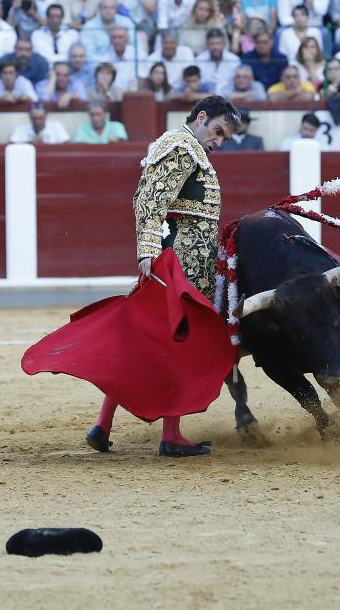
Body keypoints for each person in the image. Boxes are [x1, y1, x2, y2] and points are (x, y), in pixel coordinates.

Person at [87, 96, 241, 457]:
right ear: (201, 118)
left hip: (180, 261)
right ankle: (170, 435)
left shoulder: (188, 148)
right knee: (179, 344)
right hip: (178, 265)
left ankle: (102, 424)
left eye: (225, 139)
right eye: (217, 131)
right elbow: (149, 200)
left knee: (143, 344)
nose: (218, 142)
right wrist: (147, 251)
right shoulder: (182, 146)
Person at [196, 28, 241, 94]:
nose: (215, 47)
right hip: (205, 98)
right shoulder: (199, 60)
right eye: (212, 44)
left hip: (229, 98)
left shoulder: (234, 60)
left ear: (224, 45)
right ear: (207, 45)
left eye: (218, 43)